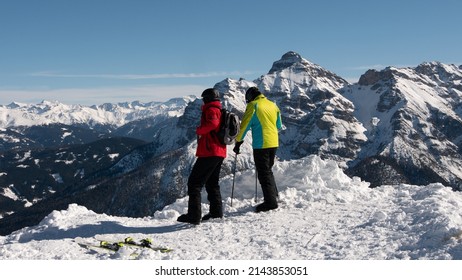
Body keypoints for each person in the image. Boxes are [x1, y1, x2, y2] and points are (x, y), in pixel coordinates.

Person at [177, 88, 227, 225]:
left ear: (208, 98)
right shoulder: (218, 109)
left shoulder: (211, 109)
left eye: (204, 98)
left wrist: (199, 130)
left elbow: (213, 124)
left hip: (210, 152)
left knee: (194, 184)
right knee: (212, 183)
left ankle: (194, 216)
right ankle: (216, 213)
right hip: (219, 152)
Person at [233, 87, 282, 212]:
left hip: (261, 144)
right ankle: (274, 196)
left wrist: (238, 141)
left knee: (263, 173)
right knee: (268, 171)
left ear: (250, 97)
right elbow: (279, 125)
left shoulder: (253, 106)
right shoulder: (273, 105)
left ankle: (270, 203)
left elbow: (245, 124)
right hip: (274, 142)